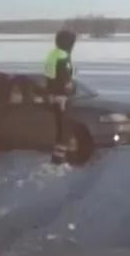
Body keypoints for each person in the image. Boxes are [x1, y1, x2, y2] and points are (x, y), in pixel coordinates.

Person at [43, 29, 76, 165]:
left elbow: (50, 77)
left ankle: (58, 158)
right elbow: (63, 79)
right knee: (64, 130)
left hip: (56, 96)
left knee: (61, 130)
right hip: (61, 98)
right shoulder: (62, 57)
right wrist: (62, 95)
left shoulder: (53, 54)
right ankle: (59, 160)